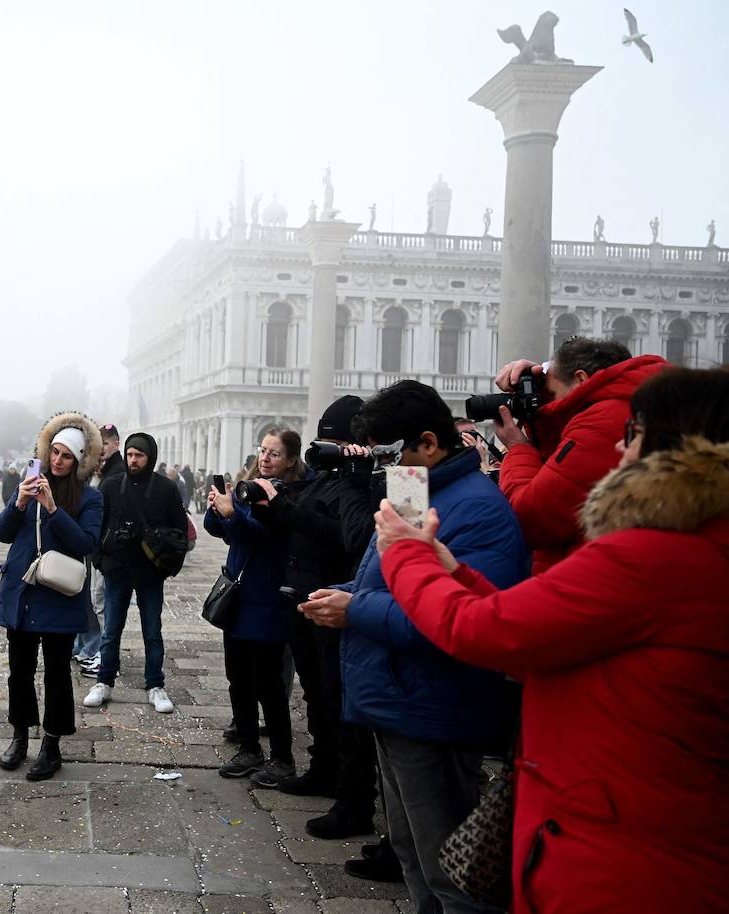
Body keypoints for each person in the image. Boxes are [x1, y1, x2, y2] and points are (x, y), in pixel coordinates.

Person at [374, 367, 729, 914]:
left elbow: (483, 631)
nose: (618, 444)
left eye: (632, 431)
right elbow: (537, 624)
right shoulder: (692, 545)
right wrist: (454, 573)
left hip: (615, 849)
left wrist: (404, 553)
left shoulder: (655, 555)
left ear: (675, 447)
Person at [299, 380, 527, 914]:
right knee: (409, 851)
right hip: (394, 699)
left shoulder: (476, 510)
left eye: (390, 451)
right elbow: (387, 577)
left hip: (434, 706)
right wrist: (349, 592)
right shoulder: (410, 486)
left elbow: (451, 620)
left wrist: (354, 610)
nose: (382, 465)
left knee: (449, 866)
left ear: (428, 442)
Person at [250, 399, 381, 844]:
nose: (326, 451)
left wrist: (288, 509)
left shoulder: (377, 482)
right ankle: (324, 772)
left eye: (336, 442)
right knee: (319, 695)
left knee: (342, 703)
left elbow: (354, 538)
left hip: (338, 602)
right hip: (306, 598)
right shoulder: (327, 478)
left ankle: (354, 799)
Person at [492, 336, 666, 572]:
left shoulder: (600, 422)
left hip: (593, 573)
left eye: (550, 394)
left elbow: (533, 520)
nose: (547, 401)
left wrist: (517, 448)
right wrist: (538, 385)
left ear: (581, 379)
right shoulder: (632, 404)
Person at [0, 414, 104, 781]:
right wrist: (20, 503)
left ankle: (51, 745)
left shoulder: (90, 498)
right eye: (54, 453)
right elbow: (2, 533)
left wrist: (54, 509)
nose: (57, 461)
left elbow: (86, 543)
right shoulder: (28, 483)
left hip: (59, 596)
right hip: (23, 592)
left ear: (78, 462)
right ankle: (20, 736)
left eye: (66, 456)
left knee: (57, 674)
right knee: (19, 673)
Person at [203, 427, 306, 785]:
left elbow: (260, 535)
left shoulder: (288, 497)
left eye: (274, 453)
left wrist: (234, 516)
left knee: (269, 683)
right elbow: (222, 531)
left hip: (268, 600)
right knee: (238, 679)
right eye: (263, 451)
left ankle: (282, 756)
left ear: (291, 460)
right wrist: (219, 509)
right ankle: (249, 747)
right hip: (239, 597)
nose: (265, 458)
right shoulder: (251, 487)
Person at [84, 432, 187, 713]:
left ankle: (155, 684)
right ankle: (104, 680)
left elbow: (180, 532)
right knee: (111, 630)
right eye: (130, 454)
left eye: (139, 455)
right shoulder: (111, 485)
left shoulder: (166, 489)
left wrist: (167, 563)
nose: (133, 460)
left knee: (152, 631)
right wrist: (99, 560)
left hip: (150, 572)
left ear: (149, 457)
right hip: (117, 569)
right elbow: (97, 526)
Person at [73, 422, 126, 675]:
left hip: (104, 548)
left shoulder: (115, 473)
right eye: (99, 443)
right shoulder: (101, 470)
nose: (102, 448)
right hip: (95, 546)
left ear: (116, 444)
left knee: (100, 601)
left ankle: (105, 656)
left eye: (106, 443)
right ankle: (89, 647)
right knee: (92, 599)